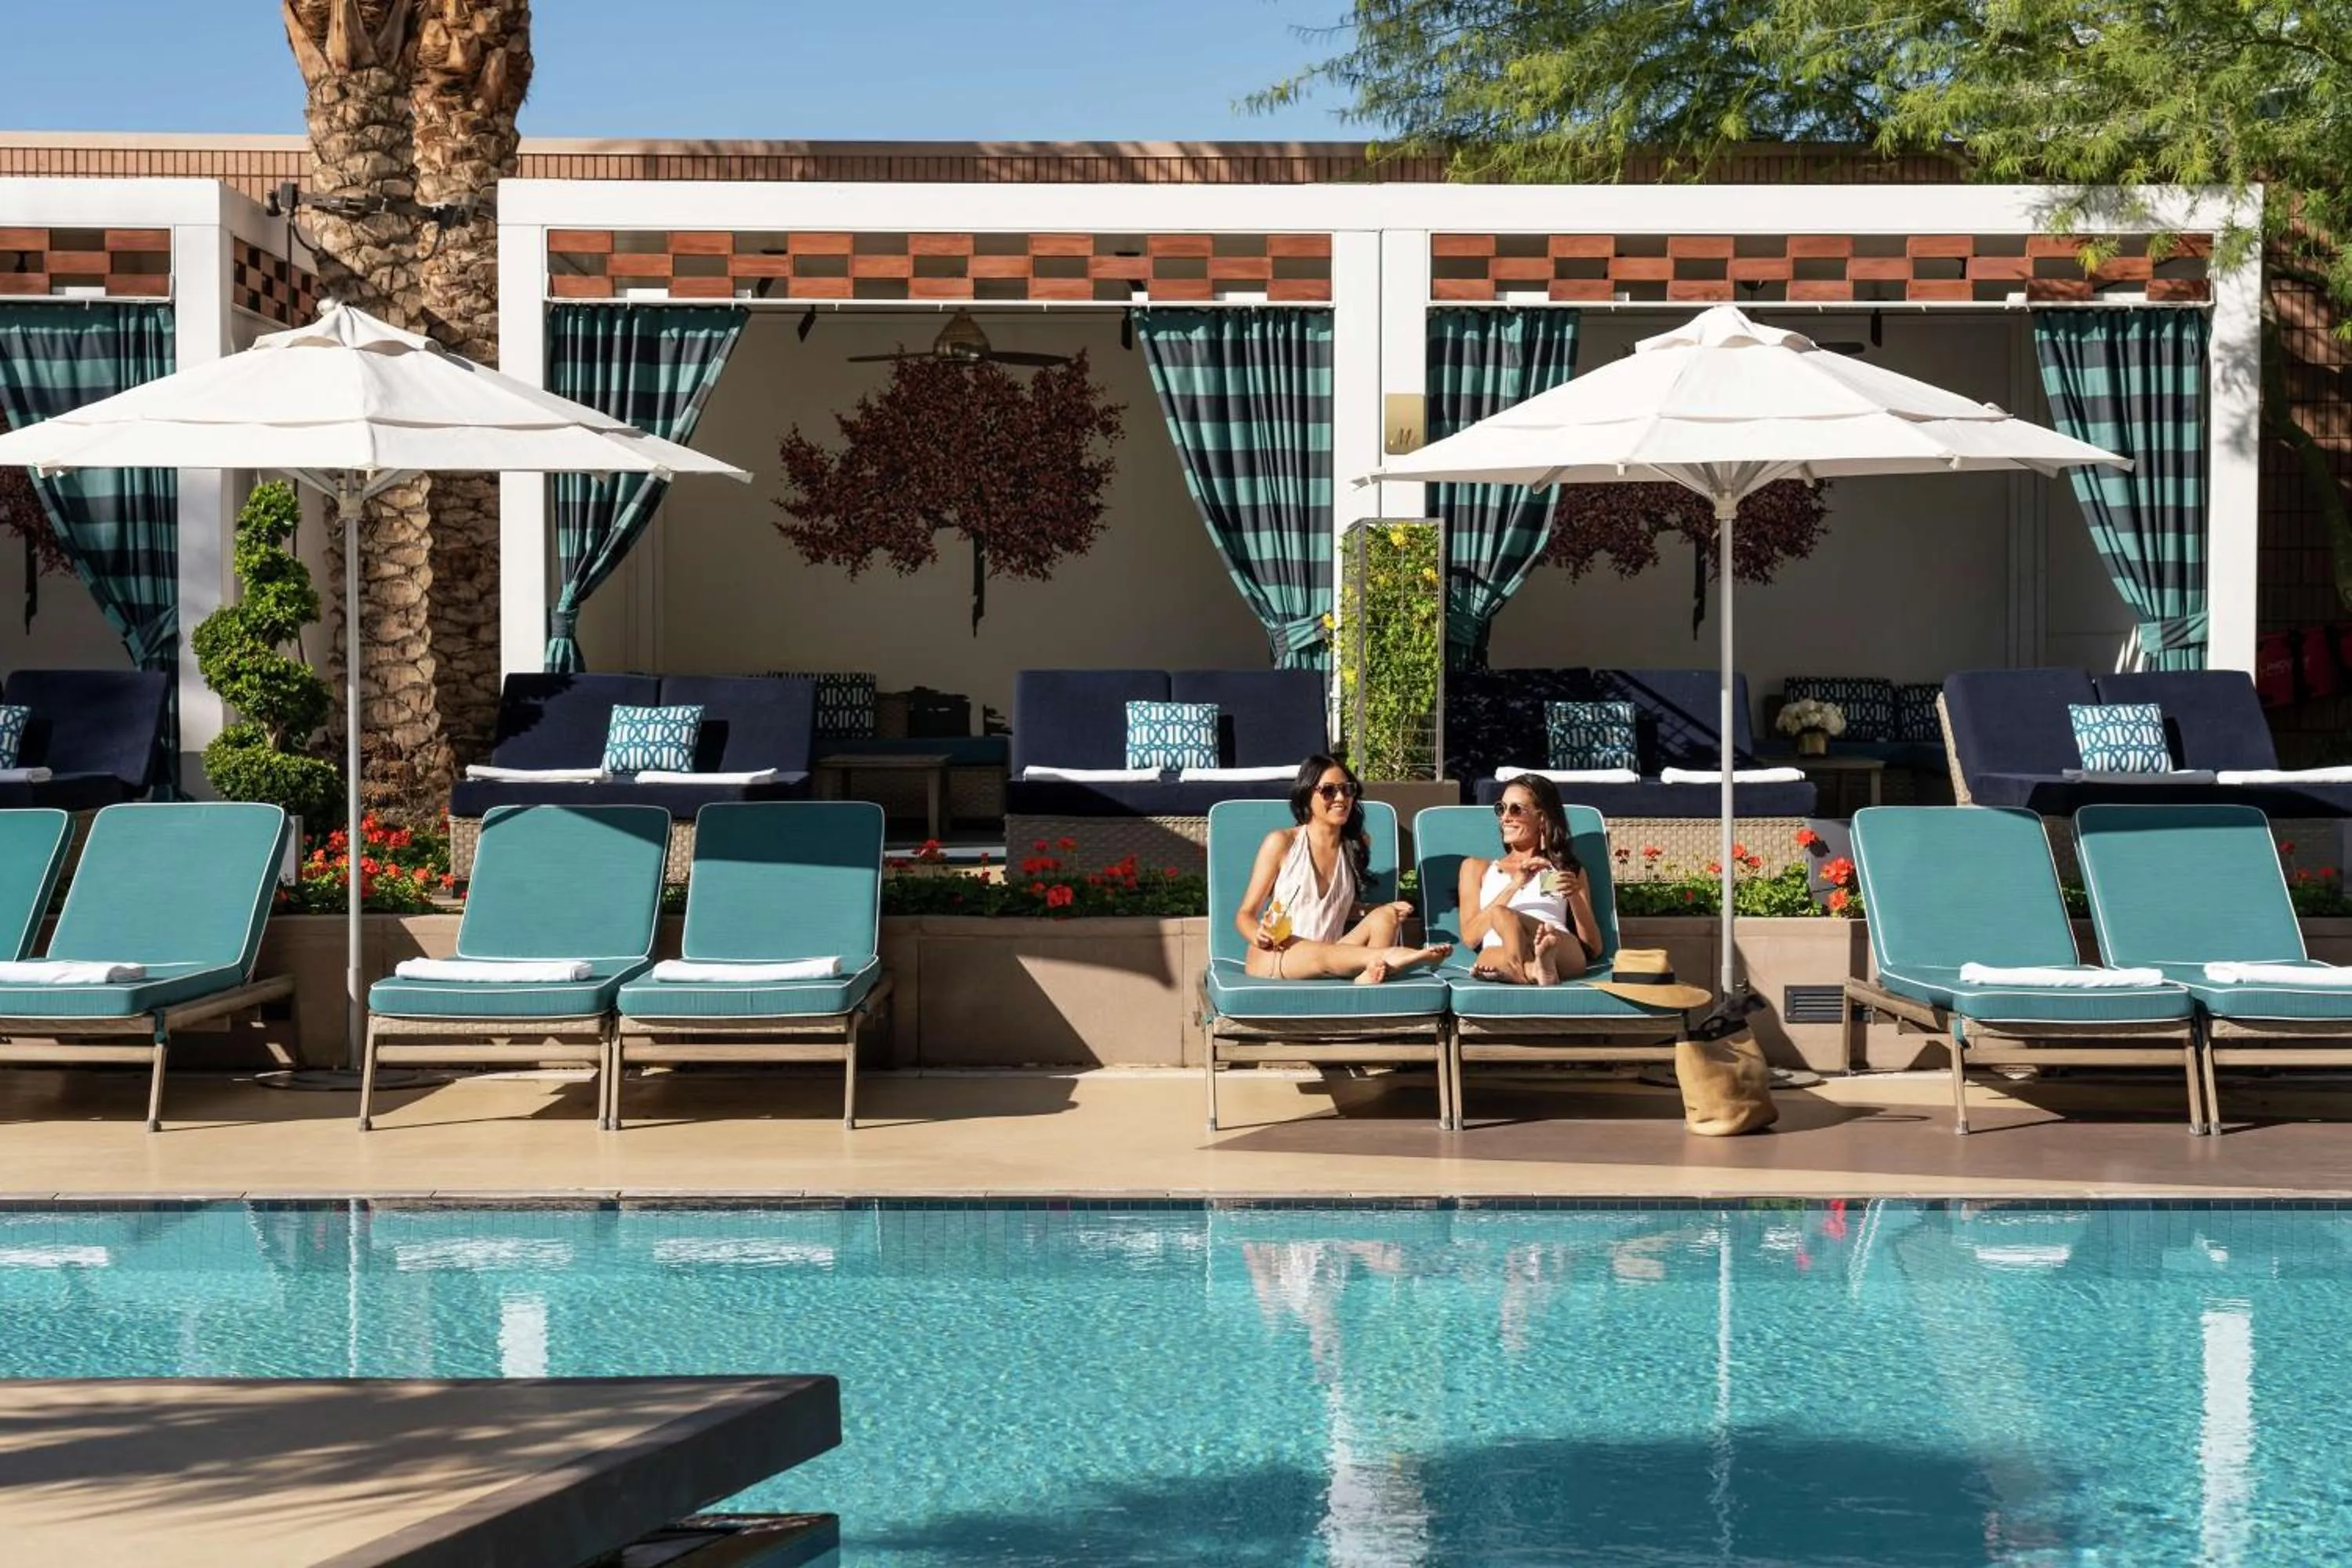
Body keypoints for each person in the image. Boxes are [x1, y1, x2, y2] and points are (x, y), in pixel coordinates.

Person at [1235, 755, 1453, 985]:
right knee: (1323, 954)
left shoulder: (1355, 846)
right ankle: (1393, 958)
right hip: (1277, 953)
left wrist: (1379, 909)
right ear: (1307, 795)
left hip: (1331, 952)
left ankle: (1371, 975)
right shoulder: (1281, 843)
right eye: (1329, 791)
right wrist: (1257, 934)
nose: (1341, 798)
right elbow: (1245, 914)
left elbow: (1330, 908)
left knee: (1385, 916)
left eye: (1347, 790)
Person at [1458, 774, 1603, 984]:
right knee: (1489, 947)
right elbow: (1471, 938)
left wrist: (1574, 897)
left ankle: (1526, 967)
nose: (1505, 817)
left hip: (1558, 947)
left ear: (1542, 818)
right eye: (1502, 808)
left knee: (1506, 918)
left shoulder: (1564, 870)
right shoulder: (1476, 868)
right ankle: (1536, 969)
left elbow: (1594, 948)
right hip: (1500, 950)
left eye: (1516, 809)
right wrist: (1515, 884)